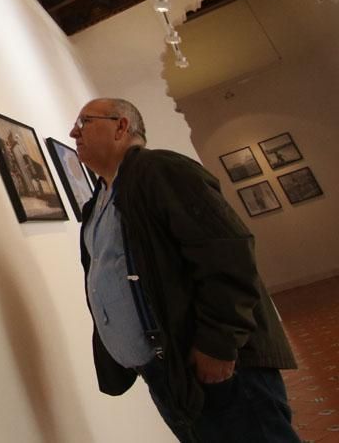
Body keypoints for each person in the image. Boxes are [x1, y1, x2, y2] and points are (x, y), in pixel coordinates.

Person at [70, 97, 298, 442]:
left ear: (121, 126)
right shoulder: (99, 200)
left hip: (217, 369)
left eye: (85, 121)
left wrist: (218, 343)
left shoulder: (161, 170)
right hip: (170, 373)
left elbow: (228, 253)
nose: (74, 132)